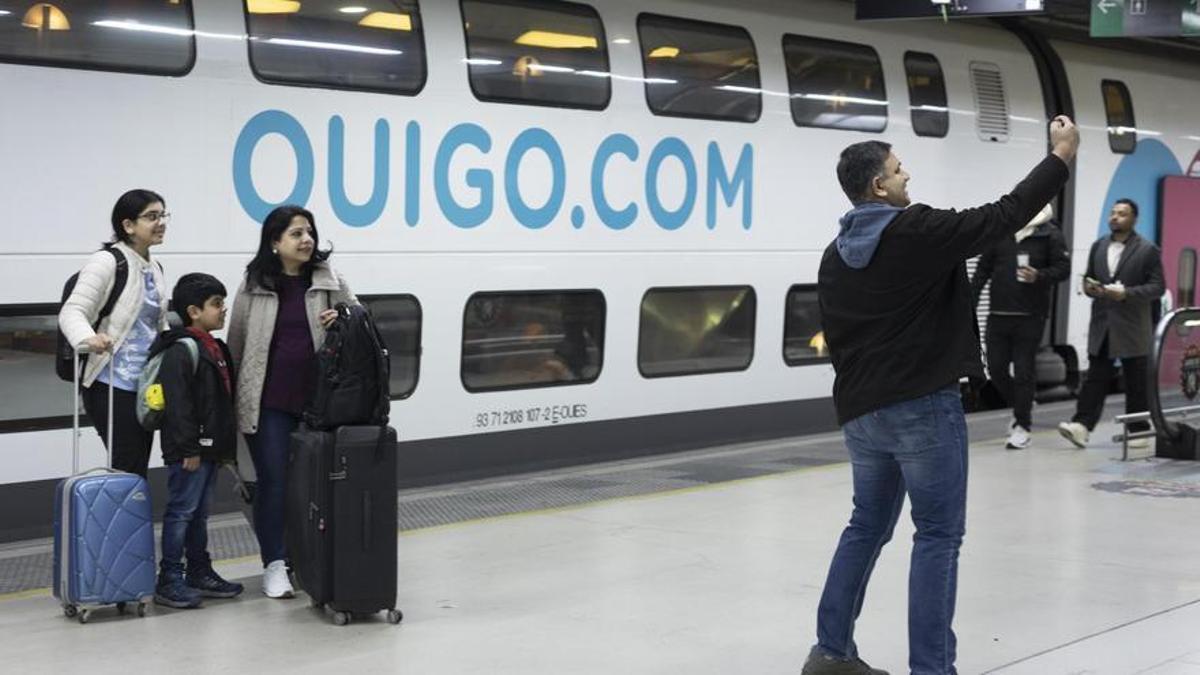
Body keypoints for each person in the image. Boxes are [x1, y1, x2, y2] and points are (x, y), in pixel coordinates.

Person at [802, 116, 1078, 675]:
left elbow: (838, 338)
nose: (908, 175)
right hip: (922, 408)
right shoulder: (916, 230)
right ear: (879, 186)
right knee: (937, 536)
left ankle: (830, 652)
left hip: (862, 412)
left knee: (866, 526)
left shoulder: (834, 254)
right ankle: (932, 669)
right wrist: (1061, 157)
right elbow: (1004, 215)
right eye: (899, 169)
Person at [226, 205, 356, 599]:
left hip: (321, 404)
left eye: (309, 232)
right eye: (296, 234)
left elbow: (363, 325)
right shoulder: (254, 285)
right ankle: (275, 565)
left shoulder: (328, 280)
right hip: (269, 404)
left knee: (317, 485)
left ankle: (311, 558)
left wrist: (344, 319)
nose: (307, 240)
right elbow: (237, 344)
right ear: (275, 242)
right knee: (274, 485)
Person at [58, 189, 170, 477]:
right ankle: (122, 522)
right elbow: (72, 312)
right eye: (151, 217)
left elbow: (155, 326)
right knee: (128, 466)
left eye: (163, 215)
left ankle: (127, 522)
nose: (161, 222)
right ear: (128, 225)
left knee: (134, 466)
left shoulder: (154, 266)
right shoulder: (107, 261)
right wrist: (88, 338)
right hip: (111, 384)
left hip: (143, 386)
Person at [151, 273, 245, 608]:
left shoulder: (216, 348)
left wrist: (223, 451)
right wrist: (189, 448)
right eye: (217, 304)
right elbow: (179, 405)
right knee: (181, 512)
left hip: (209, 450)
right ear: (193, 310)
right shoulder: (181, 349)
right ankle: (170, 577)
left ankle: (199, 571)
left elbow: (221, 404)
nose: (224, 310)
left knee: (200, 514)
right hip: (188, 451)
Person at [1057, 199, 1165, 449]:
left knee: (1135, 381)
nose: (1115, 217)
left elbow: (1158, 287)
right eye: (1113, 213)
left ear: (1133, 219)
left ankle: (1138, 429)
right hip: (1103, 325)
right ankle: (1081, 426)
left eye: (1122, 214)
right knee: (1096, 377)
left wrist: (1127, 293)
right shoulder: (1099, 246)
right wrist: (1090, 288)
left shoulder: (1148, 250)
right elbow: (1089, 278)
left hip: (1134, 326)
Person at [970, 203, 1071, 449]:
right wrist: (969, 302)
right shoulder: (1003, 232)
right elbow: (983, 269)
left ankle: (1022, 425)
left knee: (1025, 369)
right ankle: (1022, 404)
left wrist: (1040, 275)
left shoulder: (1050, 235)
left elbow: (1063, 269)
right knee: (995, 368)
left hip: (1030, 314)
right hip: (998, 313)